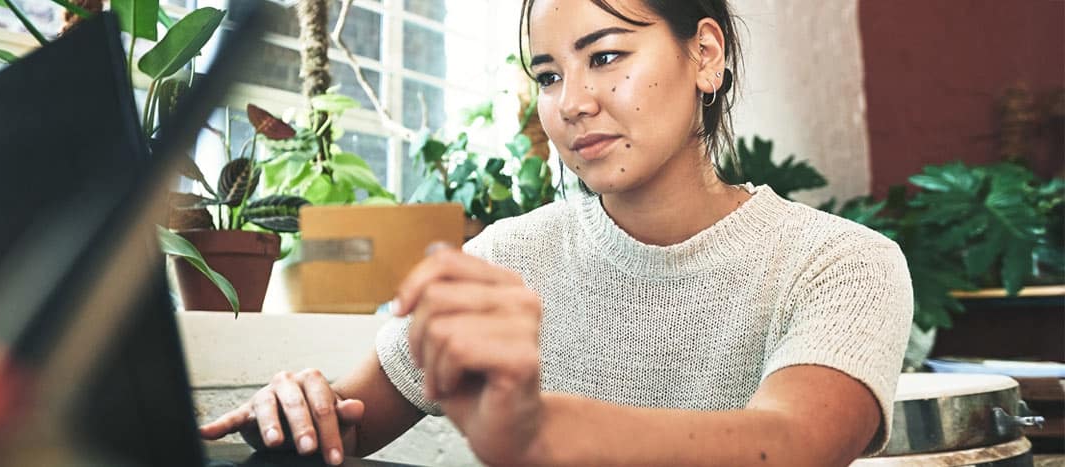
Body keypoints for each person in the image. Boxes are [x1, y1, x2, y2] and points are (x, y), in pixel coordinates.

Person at [200, 0, 914, 465]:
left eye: (605, 57)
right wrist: (304, 410)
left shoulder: (840, 263)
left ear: (705, 56)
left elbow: (791, 446)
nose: (571, 102)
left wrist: (538, 430)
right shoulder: (506, 258)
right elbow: (347, 422)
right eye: (547, 74)